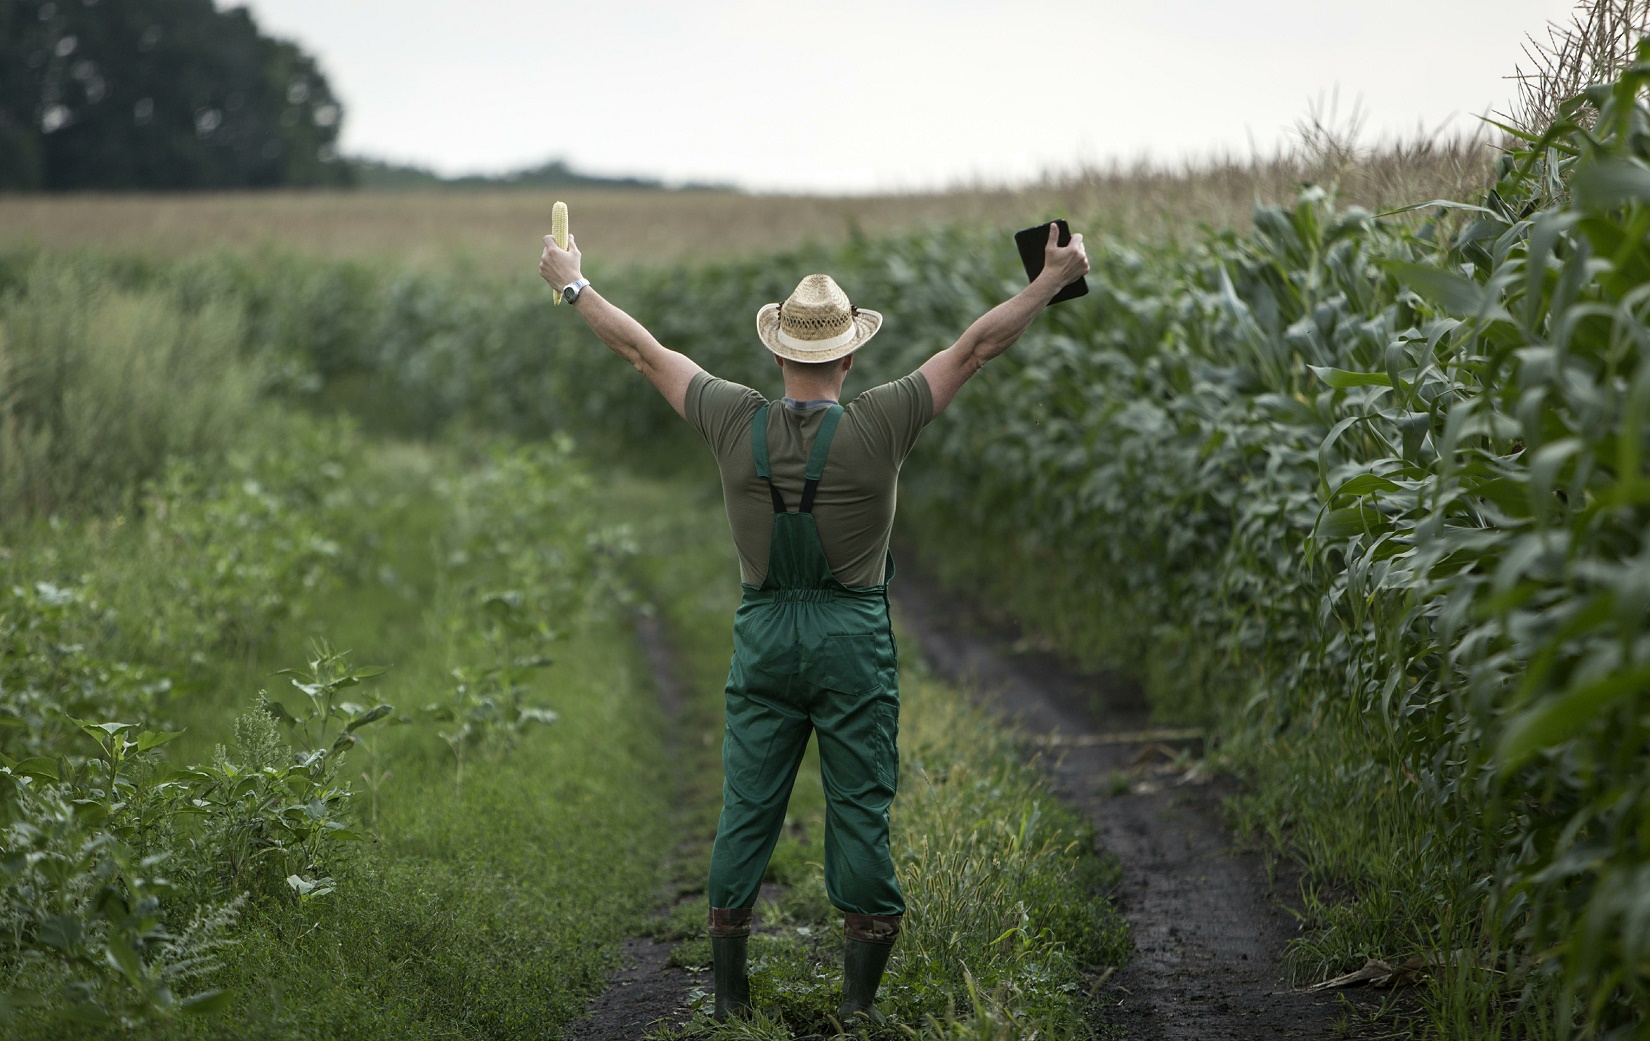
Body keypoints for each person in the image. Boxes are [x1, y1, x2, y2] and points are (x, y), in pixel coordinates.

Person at [538, 223, 1089, 1024]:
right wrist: (1049, 279)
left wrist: (574, 283)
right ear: (850, 356)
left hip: (764, 634)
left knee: (746, 808)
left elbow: (643, 351)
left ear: (778, 355)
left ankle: (729, 1003)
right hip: (851, 640)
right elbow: (975, 347)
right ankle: (858, 1007)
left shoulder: (732, 418)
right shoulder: (881, 422)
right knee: (859, 808)